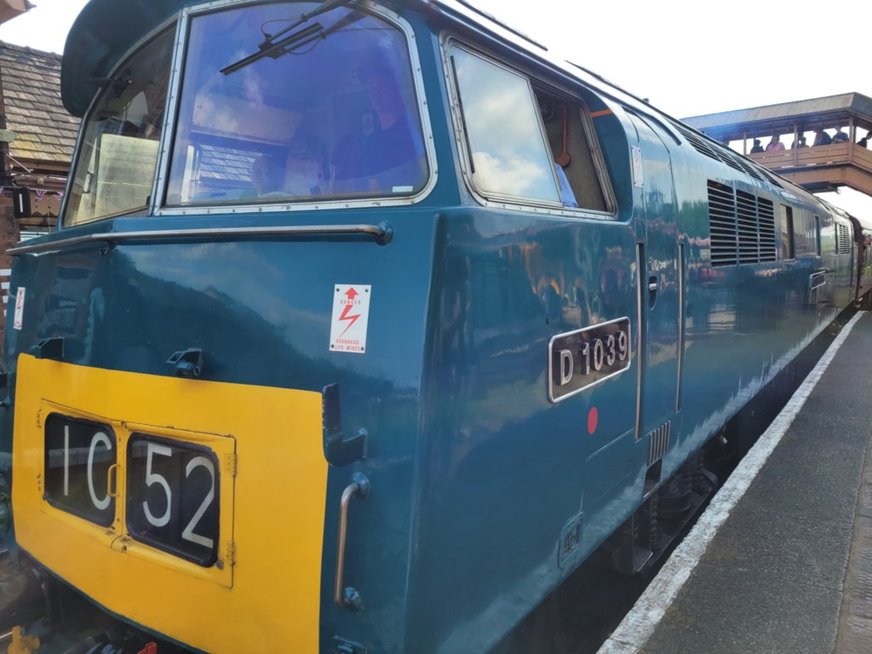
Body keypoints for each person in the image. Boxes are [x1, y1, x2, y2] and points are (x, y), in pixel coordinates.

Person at [333, 58, 426, 193]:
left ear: (396, 93)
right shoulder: (371, 141)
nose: (375, 92)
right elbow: (372, 186)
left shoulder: (412, 134)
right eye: (372, 87)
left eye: (383, 86)